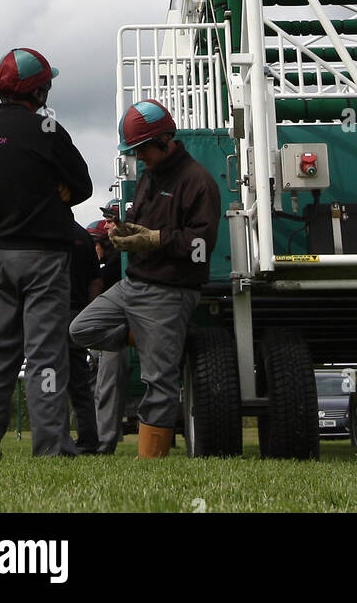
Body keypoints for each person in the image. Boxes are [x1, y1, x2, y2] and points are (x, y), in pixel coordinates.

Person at [69, 100, 221, 459]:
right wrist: (126, 231)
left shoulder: (198, 181)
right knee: (80, 329)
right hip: (132, 286)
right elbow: (144, 223)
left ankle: (151, 461)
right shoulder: (148, 176)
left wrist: (154, 239)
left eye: (140, 150)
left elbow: (201, 243)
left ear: (165, 140)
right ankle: (143, 334)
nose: (138, 157)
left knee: (159, 382)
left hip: (169, 291)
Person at [0, 47, 92, 457]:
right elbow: (84, 184)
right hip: (44, 258)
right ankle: (51, 446)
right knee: (45, 354)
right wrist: (58, 192)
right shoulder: (47, 129)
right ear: (39, 91)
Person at [87, 214, 127, 455]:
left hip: (116, 330)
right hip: (107, 330)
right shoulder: (112, 262)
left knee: (107, 382)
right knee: (96, 383)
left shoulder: (116, 263)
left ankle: (103, 442)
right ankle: (95, 437)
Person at [67, 221, 102, 452]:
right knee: (80, 383)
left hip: (48, 314)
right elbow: (95, 281)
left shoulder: (44, 230)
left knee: (48, 379)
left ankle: (54, 437)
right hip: (76, 314)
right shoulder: (83, 236)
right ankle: (89, 440)